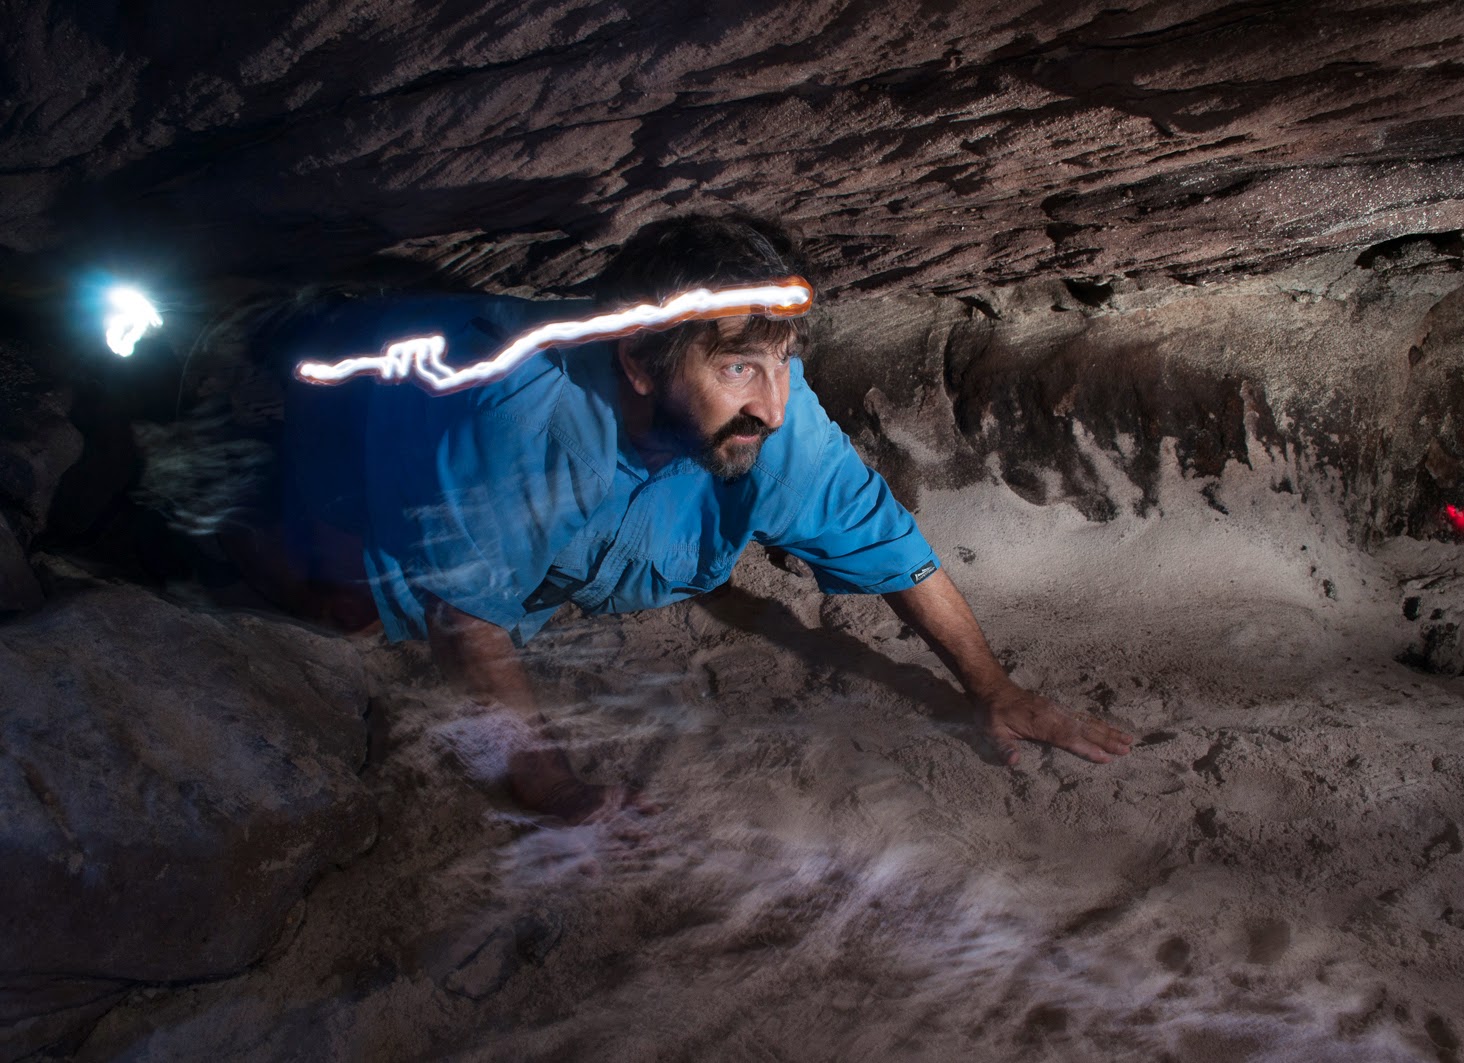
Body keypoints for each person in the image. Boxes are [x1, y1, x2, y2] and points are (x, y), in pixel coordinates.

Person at [261, 214, 1134, 822]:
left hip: (537, 463)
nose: (776, 404)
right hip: (365, 396)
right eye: (740, 368)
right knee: (349, 608)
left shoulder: (772, 428)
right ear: (640, 361)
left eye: (783, 363)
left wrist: (996, 690)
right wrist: (555, 788)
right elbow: (469, 620)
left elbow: (895, 550)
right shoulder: (527, 414)